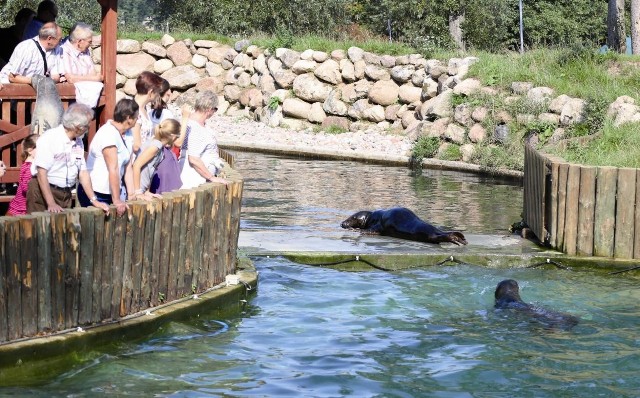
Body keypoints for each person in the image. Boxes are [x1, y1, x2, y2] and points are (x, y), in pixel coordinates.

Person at [26, 103, 109, 214]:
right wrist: (51, 203)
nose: (88, 128)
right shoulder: (50, 138)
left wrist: (94, 200)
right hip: (43, 192)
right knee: (40, 229)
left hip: (65, 193)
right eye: (87, 126)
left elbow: (83, 173)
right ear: (77, 127)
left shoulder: (78, 141)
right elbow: (41, 173)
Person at [78, 98, 138, 216]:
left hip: (112, 191)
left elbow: (128, 166)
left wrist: (131, 195)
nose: (138, 119)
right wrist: (116, 200)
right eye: (136, 116)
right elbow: (113, 168)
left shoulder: (128, 134)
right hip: (97, 191)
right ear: (128, 118)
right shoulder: (108, 133)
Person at [179, 90, 228, 189]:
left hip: (195, 177)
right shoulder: (196, 128)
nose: (214, 112)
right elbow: (193, 159)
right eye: (215, 109)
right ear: (209, 109)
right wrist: (211, 177)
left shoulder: (189, 122)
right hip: (194, 180)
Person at [131, 119, 181, 201]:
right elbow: (136, 165)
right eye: (178, 136)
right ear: (173, 136)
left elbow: (149, 169)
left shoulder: (159, 147)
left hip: (142, 189)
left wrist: (147, 191)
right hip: (136, 191)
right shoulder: (155, 146)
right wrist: (138, 192)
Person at [0, 22, 64, 86]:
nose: (60, 43)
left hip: (33, 90)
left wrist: (51, 80)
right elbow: (12, 77)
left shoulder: (56, 50)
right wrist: (37, 80)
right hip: (8, 89)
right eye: (60, 40)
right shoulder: (26, 48)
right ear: (49, 38)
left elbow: (55, 76)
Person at [129, 71, 164, 154]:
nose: (158, 96)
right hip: (137, 160)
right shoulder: (134, 111)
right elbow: (136, 145)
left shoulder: (144, 109)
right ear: (151, 92)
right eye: (157, 92)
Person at [6, 135, 37, 215]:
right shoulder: (29, 167)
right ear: (30, 151)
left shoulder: (27, 164)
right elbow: (25, 187)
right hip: (22, 208)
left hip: (22, 206)